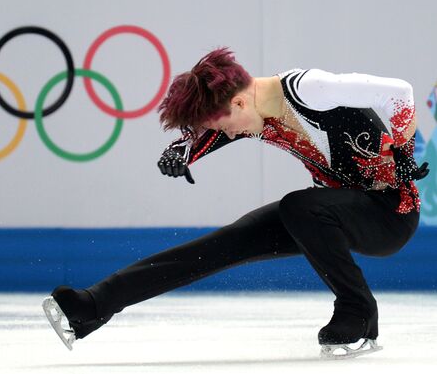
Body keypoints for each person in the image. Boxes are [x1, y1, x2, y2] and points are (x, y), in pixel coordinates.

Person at [42, 48, 429, 358]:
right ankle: (92, 306)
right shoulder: (253, 108)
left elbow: (400, 92)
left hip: (389, 214)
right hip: (332, 214)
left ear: (240, 104)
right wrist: (184, 151)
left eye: (221, 124)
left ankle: (357, 309)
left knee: (299, 207)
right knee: (229, 241)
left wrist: (405, 148)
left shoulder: (310, 89)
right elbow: (208, 135)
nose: (225, 133)